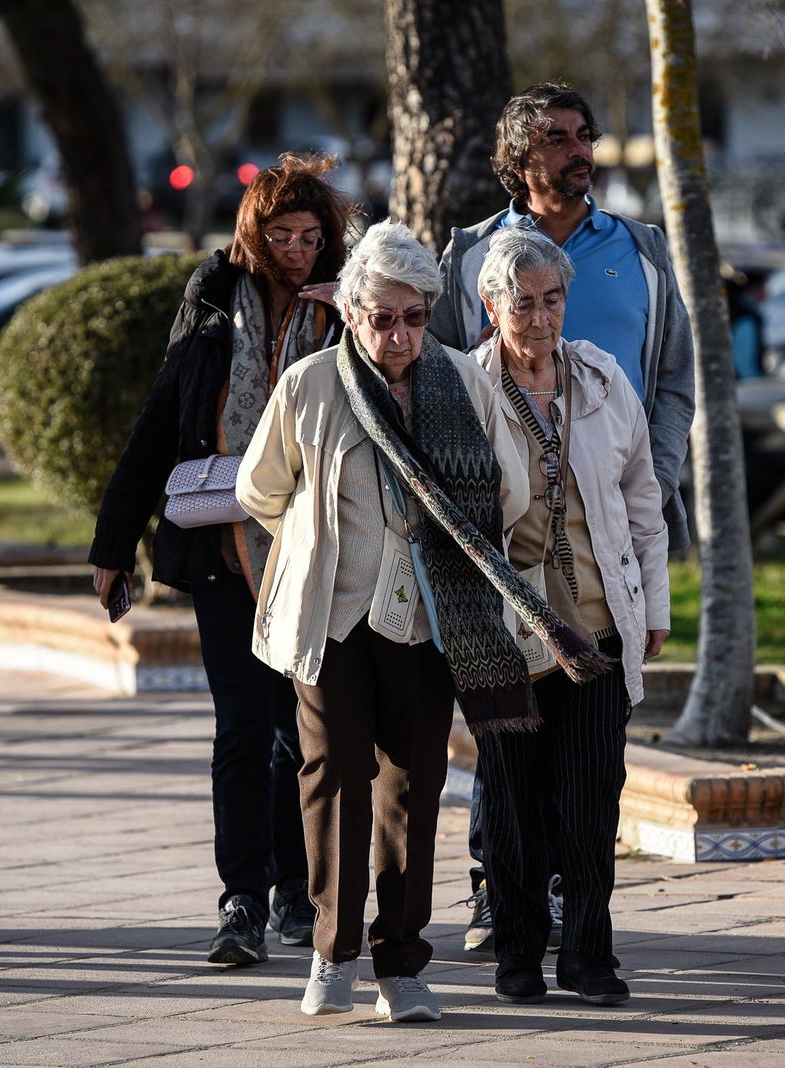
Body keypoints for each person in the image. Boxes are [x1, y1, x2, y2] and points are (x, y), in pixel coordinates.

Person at [236, 220, 537, 1022]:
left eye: (412, 316)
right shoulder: (309, 384)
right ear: (350, 311)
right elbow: (259, 490)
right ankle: (333, 955)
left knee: (413, 784)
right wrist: (315, 533)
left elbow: (507, 496)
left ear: (430, 311)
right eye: (380, 316)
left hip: (430, 622)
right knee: (335, 772)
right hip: (331, 617)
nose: (397, 333)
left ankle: (400, 965)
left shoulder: (464, 386)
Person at [429, 80, 694, 954]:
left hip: (610, 524)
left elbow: (675, 382)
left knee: (587, 735)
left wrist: (648, 479)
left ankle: (567, 904)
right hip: (505, 534)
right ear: (518, 157)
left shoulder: (643, 250)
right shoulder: (473, 254)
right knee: (508, 724)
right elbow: (447, 380)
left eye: (583, 134)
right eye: (555, 137)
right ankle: (492, 893)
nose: (577, 150)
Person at [89, 153, 355, 968]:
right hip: (223, 552)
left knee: (297, 733)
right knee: (242, 728)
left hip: (317, 556)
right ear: (254, 233)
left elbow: (399, 398)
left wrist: (344, 318)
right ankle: (240, 899)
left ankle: (298, 896)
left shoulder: (350, 302)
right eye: (283, 236)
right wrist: (114, 543)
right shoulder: (211, 300)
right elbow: (162, 416)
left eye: (312, 236)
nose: (299, 250)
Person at [469, 226, 669, 1006]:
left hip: (598, 626)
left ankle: (589, 955)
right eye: (522, 303)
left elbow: (642, 500)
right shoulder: (467, 385)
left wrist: (653, 605)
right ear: (492, 306)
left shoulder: (603, 376)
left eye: (553, 299)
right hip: (509, 635)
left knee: (591, 801)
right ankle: (516, 954)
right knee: (512, 805)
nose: (542, 318)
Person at [723, 264, 768, 380]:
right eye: (764, 287)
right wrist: (754, 384)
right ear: (753, 289)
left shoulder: (736, 309)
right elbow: (743, 361)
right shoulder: (746, 318)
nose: (767, 293)